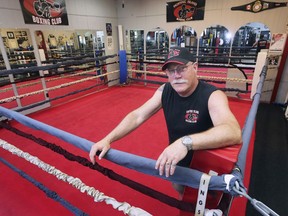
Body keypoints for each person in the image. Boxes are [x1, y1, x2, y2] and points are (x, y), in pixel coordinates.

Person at [89, 47, 242, 197]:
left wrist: (185, 142)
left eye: (182, 68)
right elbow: (138, 115)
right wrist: (107, 139)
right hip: (178, 160)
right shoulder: (165, 90)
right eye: (170, 70)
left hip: (206, 165)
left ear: (195, 68)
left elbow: (233, 131)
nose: (176, 75)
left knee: (206, 203)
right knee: (181, 192)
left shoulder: (212, 95)